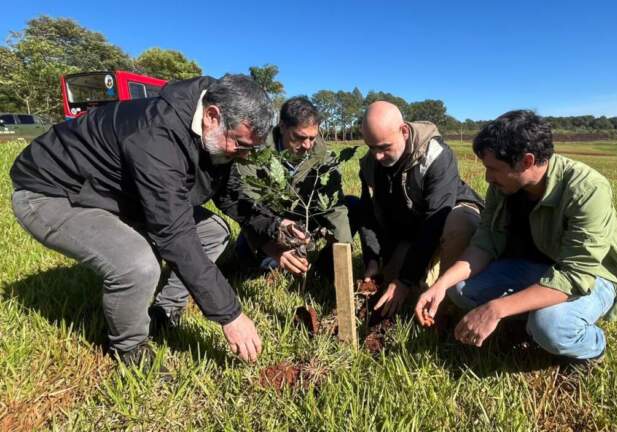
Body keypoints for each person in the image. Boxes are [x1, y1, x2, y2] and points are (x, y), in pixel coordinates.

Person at [11, 74, 276, 365]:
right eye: (240, 145)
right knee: (138, 264)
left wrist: (270, 232)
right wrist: (230, 315)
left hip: (112, 193)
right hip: (52, 193)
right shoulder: (156, 136)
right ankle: (129, 349)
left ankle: (163, 313)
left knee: (213, 231)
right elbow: (174, 235)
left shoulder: (207, 132)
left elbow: (229, 193)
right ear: (213, 116)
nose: (244, 156)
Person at [415, 110, 617, 363]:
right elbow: (485, 243)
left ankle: (592, 350)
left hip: (594, 275)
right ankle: (526, 318)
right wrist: (441, 285)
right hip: (537, 266)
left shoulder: (587, 189)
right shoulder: (502, 187)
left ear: (526, 161)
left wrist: (496, 309)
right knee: (459, 290)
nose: (487, 177)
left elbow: (576, 275)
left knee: (550, 326)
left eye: (494, 169)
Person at [353, 101, 483, 317]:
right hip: (413, 228)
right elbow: (369, 214)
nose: (377, 155)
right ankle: (421, 279)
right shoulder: (370, 164)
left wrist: (405, 280)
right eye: (371, 147)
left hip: (446, 215)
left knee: (458, 225)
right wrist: (373, 260)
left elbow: (436, 219)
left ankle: (445, 306)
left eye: (384, 147)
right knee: (391, 286)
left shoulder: (436, 155)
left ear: (404, 131)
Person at [233, 96, 352, 277]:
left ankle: (317, 265)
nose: (307, 145)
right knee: (246, 263)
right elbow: (247, 204)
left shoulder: (323, 158)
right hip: (269, 222)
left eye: (312, 138)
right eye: (299, 137)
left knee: (354, 205)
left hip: (305, 221)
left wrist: (343, 246)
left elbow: (335, 206)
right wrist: (272, 238)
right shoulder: (255, 153)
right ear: (282, 127)